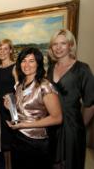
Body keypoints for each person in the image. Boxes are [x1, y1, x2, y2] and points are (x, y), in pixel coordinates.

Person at [4, 47, 62, 169]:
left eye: (31, 61)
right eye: (24, 60)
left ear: (38, 64)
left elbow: (57, 118)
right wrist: (10, 106)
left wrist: (24, 125)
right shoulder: (20, 84)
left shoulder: (45, 86)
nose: (27, 64)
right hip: (18, 139)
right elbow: (24, 111)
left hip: (36, 143)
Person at [47, 29, 94, 169]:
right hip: (51, 124)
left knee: (70, 163)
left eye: (63, 43)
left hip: (72, 126)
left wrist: (79, 125)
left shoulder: (82, 69)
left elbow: (90, 103)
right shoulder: (50, 68)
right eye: (55, 44)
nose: (58, 47)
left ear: (70, 45)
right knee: (52, 162)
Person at [0, 39, 17, 169]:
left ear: (11, 50)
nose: (2, 51)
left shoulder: (15, 67)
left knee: (10, 145)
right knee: (0, 143)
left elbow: (19, 90)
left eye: (5, 48)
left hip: (10, 110)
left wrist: (14, 115)